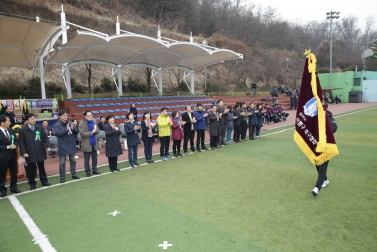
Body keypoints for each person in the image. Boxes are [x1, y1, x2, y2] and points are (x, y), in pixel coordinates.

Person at [19, 113, 52, 190]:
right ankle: (32, 183)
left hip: (40, 150)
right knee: (31, 169)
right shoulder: (23, 130)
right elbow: (21, 142)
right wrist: (24, 152)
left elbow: (45, 138)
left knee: (42, 167)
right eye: (32, 119)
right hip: (30, 152)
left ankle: (44, 181)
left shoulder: (39, 127)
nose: (34, 120)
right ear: (27, 120)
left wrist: (48, 146)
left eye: (34, 118)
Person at [53, 110, 80, 183]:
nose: (65, 117)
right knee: (62, 163)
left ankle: (74, 174)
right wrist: (66, 129)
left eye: (66, 115)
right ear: (60, 116)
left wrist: (73, 128)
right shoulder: (57, 125)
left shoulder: (70, 123)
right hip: (63, 145)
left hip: (71, 144)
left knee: (73, 161)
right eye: (64, 115)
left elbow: (76, 132)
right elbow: (57, 133)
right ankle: (62, 177)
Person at [0, 115, 20, 197]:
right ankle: (2, 190)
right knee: (2, 174)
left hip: (12, 155)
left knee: (14, 172)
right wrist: (7, 147)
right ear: (2, 123)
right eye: (8, 121)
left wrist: (15, 145)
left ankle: (14, 187)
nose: (10, 122)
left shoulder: (10, 130)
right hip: (2, 156)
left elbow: (15, 140)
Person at [79, 110, 101, 177]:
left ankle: (94, 169)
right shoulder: (81, 123)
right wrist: (92, 132)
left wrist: (95, 131)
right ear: (85, 116)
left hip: (94, 143)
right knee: (86, 159)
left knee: (94, 157)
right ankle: (87, 171)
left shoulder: (94, 122)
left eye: (91, 115)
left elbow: (98, 130)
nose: (90, 117)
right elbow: (82, 133)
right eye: (88, 116)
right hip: (86, 143)